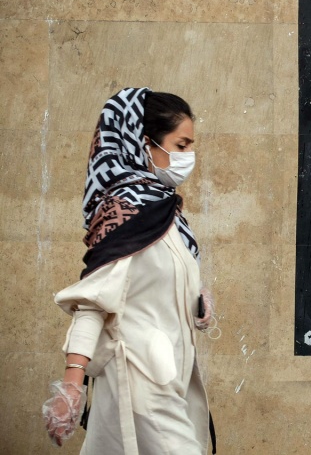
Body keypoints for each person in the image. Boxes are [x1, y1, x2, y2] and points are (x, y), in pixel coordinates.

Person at [42, 87, 215, 454]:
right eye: (181, 145)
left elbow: (156, 282)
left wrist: (196, 297)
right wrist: (71, 386)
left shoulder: (169, 215)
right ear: (145, 143)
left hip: (172, 381)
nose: (188, 157)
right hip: (139, 380)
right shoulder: (125, 213)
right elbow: (93, 302)